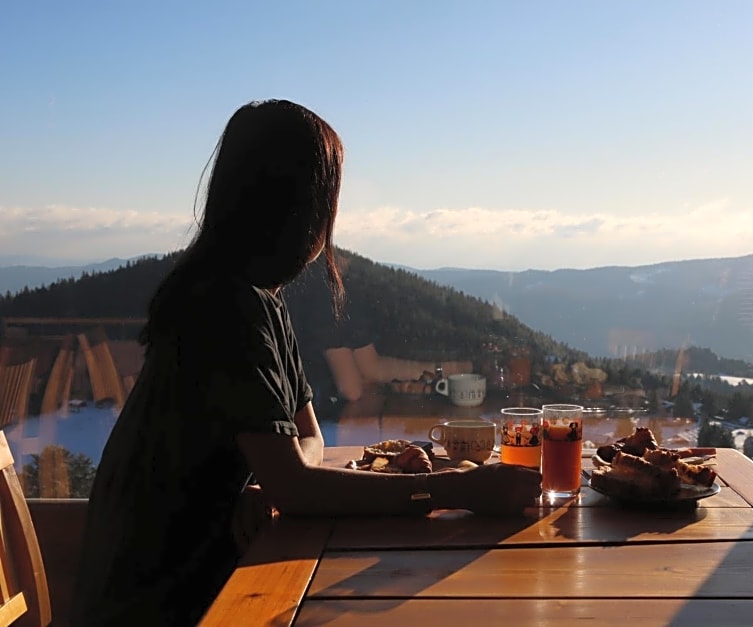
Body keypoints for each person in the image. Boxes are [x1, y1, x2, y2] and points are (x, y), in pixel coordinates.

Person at [71, 99, 542, 627]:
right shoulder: (223, 307)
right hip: (162, 605)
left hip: (194, 584)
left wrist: (268, 480)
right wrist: (459, 491)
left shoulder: (258, 301)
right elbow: (299, 484)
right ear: (301, 205)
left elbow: (308, 444)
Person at [288, 253, 473, 419]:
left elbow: (371, 366)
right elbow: (352, 388)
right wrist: (457, 369)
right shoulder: (324, 287)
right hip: (311, 418)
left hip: (308, 411)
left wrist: (451, 369)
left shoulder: (340, 289)